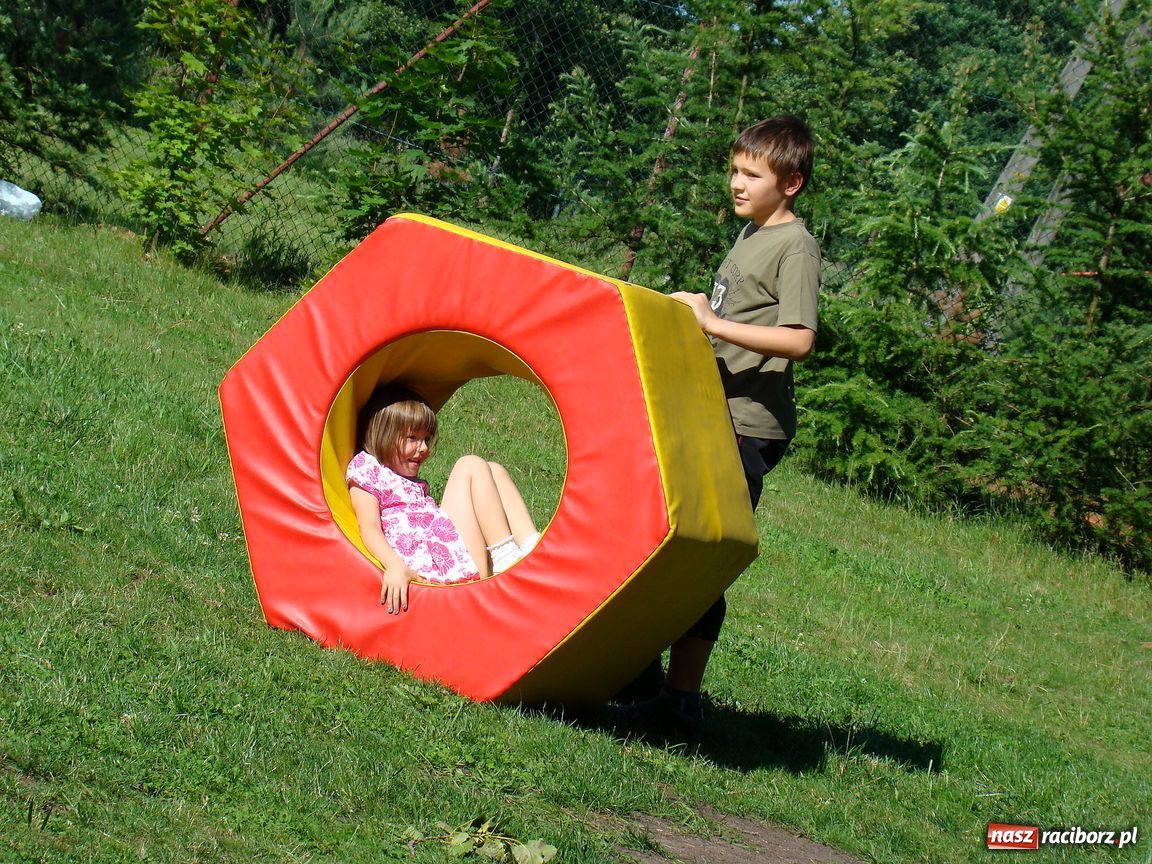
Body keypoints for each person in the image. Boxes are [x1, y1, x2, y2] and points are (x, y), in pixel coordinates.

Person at [627, 115, 821, 732]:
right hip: (715, 412)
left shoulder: (796, 246)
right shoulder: (752, 234)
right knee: (662, 533)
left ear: (790, 182)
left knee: (702, 554)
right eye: (734, 170)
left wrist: (711, 323)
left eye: (751, 174)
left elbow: (798, 340)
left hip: (749, 426)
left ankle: (679, 701)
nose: (736, 183)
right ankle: (639, 670)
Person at [346, 385, 540, 614]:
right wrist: (394, 565)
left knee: (494, 470)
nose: (424, 448)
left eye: (426, 439)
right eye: (412, 438)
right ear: (383, 435)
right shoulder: (367, 468)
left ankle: (534, 551)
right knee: (469, 465)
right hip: (439, 568)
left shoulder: (405, 479)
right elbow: (368, 526)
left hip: (449, 550)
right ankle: (508, 562)